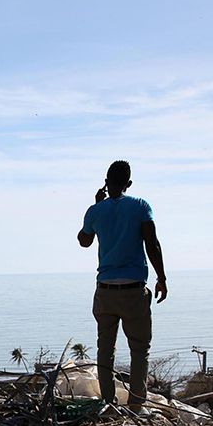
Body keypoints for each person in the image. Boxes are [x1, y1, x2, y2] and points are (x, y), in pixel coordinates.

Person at [77, 160, 167, 406]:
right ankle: (137, 405)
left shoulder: (95, 210)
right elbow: (152, 243)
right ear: (128, 183)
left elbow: (84, 241)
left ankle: (108, 402)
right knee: (139, 351)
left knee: (105, 351)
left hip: (105, 290)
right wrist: (162, 278)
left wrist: (97, 208)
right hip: (133, 291)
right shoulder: (140, 206)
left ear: (106, 182)